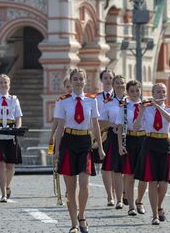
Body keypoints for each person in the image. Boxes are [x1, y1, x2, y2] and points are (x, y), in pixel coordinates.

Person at [54, 68, 105, 233]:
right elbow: (60, 127)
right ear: (71, 81)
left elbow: (96, 125)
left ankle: (82, 216)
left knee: (84, 184)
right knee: (70, 188)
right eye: (74, 79)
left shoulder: (92, 100)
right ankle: (74, 223)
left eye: (80, 79)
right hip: (69, 141)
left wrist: (101, 148)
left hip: (84, 142)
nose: (77, 82)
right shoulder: (63, 101)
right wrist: (56, 150)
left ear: (85, 81)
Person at [133, 83, 170, 225]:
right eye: (158, 91)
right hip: (150, 143)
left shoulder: (169, 108)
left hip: (164, 144)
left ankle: (159, 205)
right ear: (153, 93)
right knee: (152, 180)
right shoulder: (147, 109)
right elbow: (136, 126)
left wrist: (157, 107)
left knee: (163, 182)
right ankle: (155, 214)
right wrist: (141, 111)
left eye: (163, 91)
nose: (161, 94)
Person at [0, 74, 23, 203]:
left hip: (11, 132)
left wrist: (17, 129)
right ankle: (3, 194)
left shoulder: (14, 99)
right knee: (0, 164)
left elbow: (18, 117)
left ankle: (7, 186)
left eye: (5, 82)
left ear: (9, 85)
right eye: (1, 82)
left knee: (11, 165)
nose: (3, 85)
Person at [116, 80, 148, 216]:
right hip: (129, 140)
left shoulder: (147, 106)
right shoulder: (124, 106)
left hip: (144, 139)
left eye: (137, 90)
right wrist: (120, 145)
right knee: (129, 176)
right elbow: (120, 127)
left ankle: (139, 200)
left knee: (144, 176)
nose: (135, 93)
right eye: (132, 91)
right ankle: (131, 206)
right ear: (127, 93)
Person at [100, 74, 126, 209]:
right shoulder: (108, 102)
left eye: (122, 83)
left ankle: (127, 194)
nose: (120, 85)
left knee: (129, 168)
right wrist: (112, 124)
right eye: (117, 83)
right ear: (113, 86)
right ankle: (119, 199)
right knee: (116, 168)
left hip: (130, 137)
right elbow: (101, 121)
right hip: (113, 136)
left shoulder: (132, 101)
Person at [93, 69, 115, 206]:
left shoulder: (120, 98)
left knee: (117, 166)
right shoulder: (96, 98)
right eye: (105, 78)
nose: (108, 80)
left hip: (116, 134)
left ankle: (118, 192)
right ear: (101, 80)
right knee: (106, 166)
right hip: (102, 134)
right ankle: (109, 195)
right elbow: (96, 119)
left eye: (110, 78)